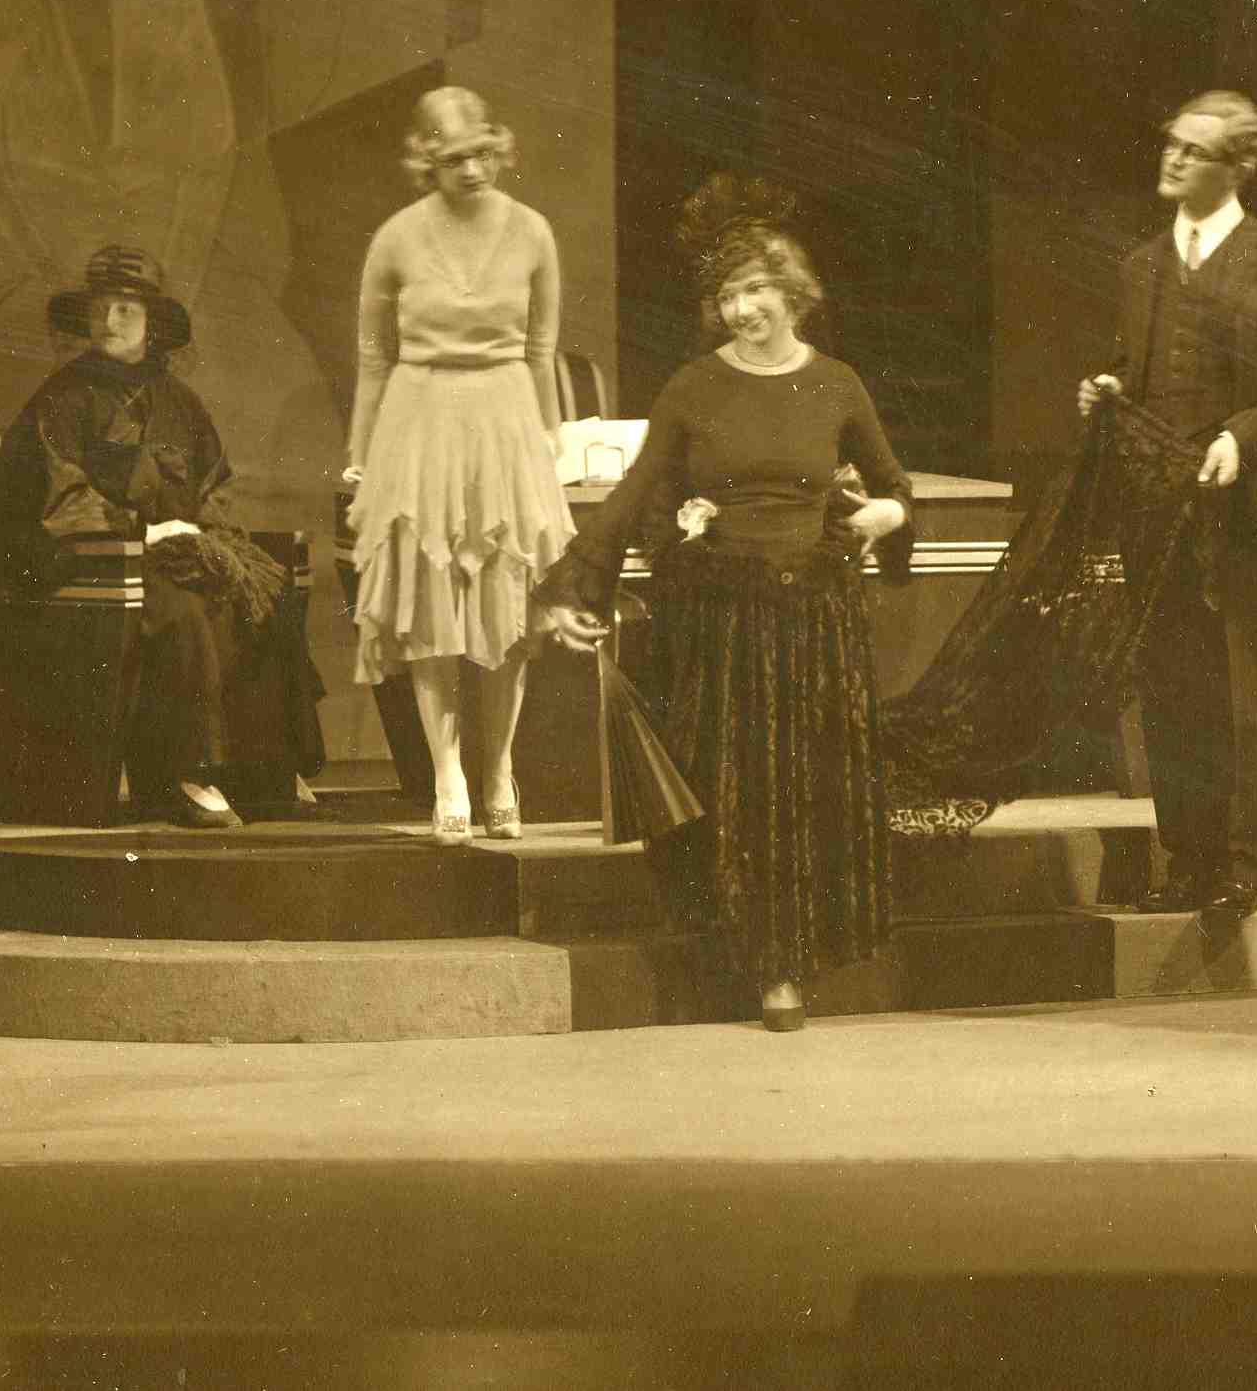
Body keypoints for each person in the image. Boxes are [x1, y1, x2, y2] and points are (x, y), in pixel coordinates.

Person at [542, 182, 910, 1031]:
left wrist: (885, 516)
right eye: (728, 295)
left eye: (755, 290)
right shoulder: (694, 386)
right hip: (723, 627)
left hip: (814, 625)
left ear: (794, 292)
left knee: (800, 794)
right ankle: (759, 961)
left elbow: (893, 488)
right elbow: (635, 494)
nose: (741, 309)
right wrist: (574, 586)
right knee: (741, 794)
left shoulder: (838, 384)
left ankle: (787, 961)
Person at [1071, 90, 1257, 928]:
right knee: (1168, 684)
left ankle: (1239, 867)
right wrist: (1107, 389)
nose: (1173, 157)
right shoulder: (1139, 265)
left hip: (1239, 507)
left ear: (1238, 167)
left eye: (1194, 149)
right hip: (1155, 507)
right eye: (1171, 143)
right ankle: (1185, 861)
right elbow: (1136, 371)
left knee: (1237, 689)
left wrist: (1239, 440)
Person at [0, 244, 322, 827]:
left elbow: (215, 483)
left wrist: (204, 536)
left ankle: (264, 769)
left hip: (174, 549)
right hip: (94, 563)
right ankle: (181, 775)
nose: (109, 320)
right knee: (182, 612)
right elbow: (62, 497)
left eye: (125, 309)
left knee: (259, 597)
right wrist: (141, 533)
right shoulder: (63, 398)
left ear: (152, 323)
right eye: (100, 308)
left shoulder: (179, 400)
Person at [342, 86, 574, 839]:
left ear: (497, 149)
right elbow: (373, 359)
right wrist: (361, 456)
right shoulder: (395, 238)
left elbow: (540, 352)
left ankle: (498, 768)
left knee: (506, 606)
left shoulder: (533, 231)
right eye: (453, 160)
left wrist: (550, 444)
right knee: (430, 606)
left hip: (505, 419)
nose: (471, 170)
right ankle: (448, 776)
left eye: (481, 154)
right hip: (420, 422)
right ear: (426, 163)